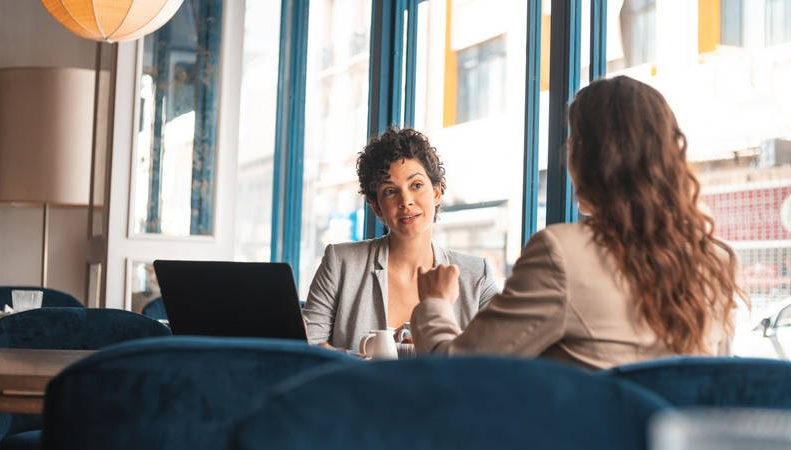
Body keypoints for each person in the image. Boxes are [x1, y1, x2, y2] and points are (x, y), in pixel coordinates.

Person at [412, 76, 745, 370]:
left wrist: (435, 303)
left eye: (572, 142)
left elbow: (460, 370)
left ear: (589, 158)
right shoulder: (715, 261)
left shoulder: (562, 252)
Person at [303, 127, 499, 351]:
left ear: (436, 193)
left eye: (416, 185)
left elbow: (497, 359)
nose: (406, 201)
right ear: (377, 207)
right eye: (390, 191)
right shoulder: (340, 263)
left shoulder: (476, 275)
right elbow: (309, 350)